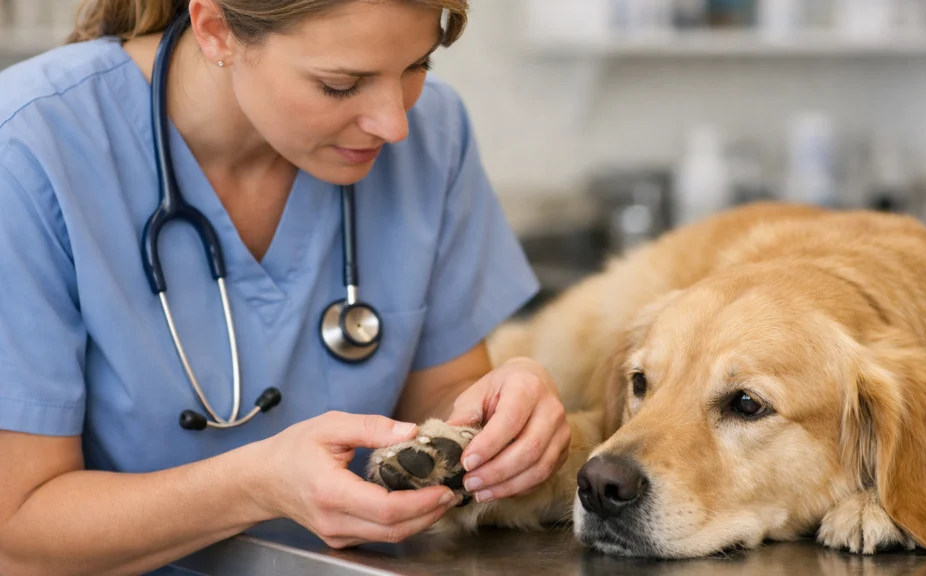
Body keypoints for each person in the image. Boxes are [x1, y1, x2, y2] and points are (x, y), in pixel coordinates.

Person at [0, 0, 571, 574]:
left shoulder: (434, 136)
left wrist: (493, 415)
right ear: (216, 31)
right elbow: (14, 534)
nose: (394, 123)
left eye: (417, 65)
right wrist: (255, 487)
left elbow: (441, 390)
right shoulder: (28, 151)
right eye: (341, 85)